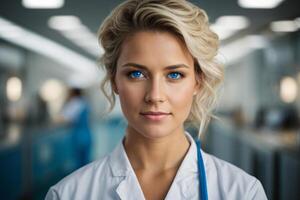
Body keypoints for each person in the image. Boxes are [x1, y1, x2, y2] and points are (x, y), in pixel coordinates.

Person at [45, 0, 268, 199]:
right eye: (136, 74)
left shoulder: (242, 192)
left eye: (174, 75)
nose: (155, 96)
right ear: (114, 81)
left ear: (197, 82)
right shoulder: (69, 194)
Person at [55, 87, 92, 168]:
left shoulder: (75, 103)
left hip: (78, 137)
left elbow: (64, 118)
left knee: (78, 164)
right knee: (85, 163)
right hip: (87, 135)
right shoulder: (84, 102)